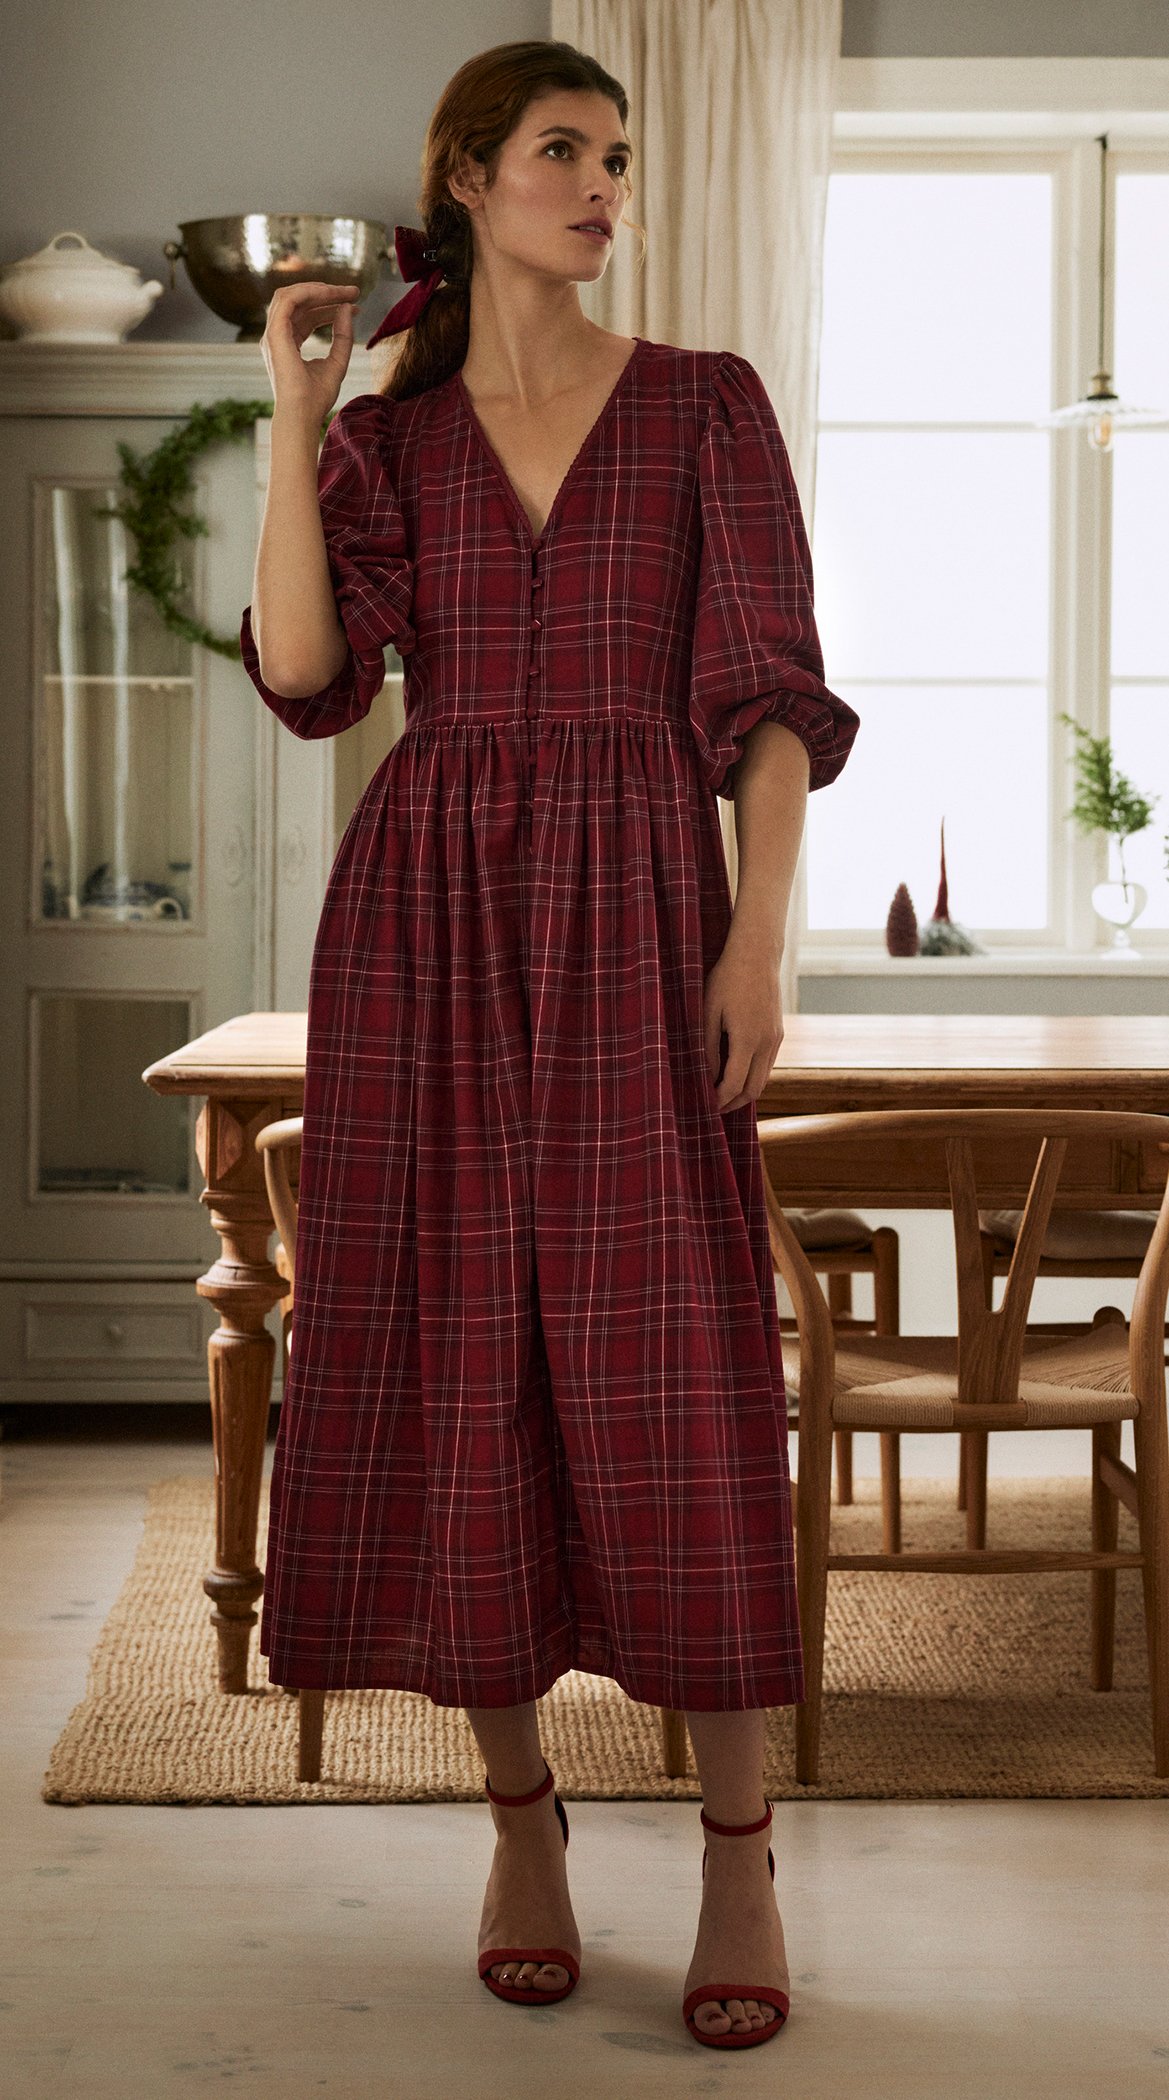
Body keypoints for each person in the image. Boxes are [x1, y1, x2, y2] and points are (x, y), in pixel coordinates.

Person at [240, 36, 858, 2054]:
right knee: (453, 1362)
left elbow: (770, 699)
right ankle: (522, 1825)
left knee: (677, 1374)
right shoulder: (391, 445)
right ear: (470, 179)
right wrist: (293, 418)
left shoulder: (701, 408)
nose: (603, 186)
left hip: (643, 912)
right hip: (425, 929)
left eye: (619, 155)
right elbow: (310, 676)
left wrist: (758, 936)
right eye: (563, 152)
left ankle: (739, 1851)